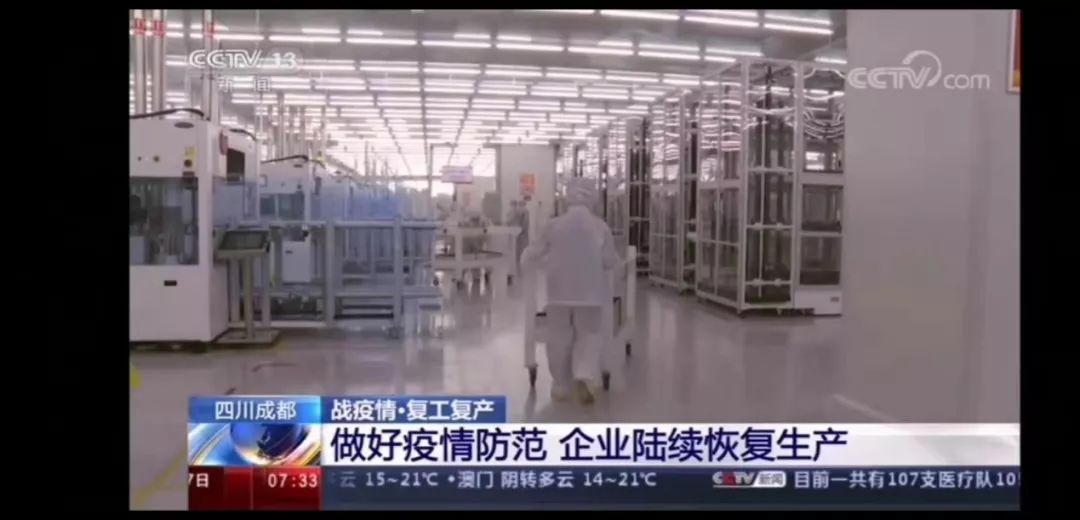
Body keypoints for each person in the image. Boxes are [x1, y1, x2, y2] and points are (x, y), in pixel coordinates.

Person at [521, 178, 618, 405]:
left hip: (558, 293)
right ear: (593, 199)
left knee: (558, 337)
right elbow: (609, 261)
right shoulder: (600, 227)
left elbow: (534, 252)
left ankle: (560, 385)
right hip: (591, 294)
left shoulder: (553, 225)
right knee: (589, 335)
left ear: (567, 198)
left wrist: (525, 261)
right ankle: (583, 375)